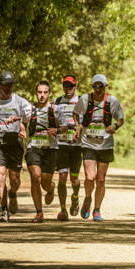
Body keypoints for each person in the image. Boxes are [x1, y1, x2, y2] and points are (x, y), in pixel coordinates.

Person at [73, 74, 124, 222]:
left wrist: (114, 126)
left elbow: (120, 119)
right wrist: (78, 127)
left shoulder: (112, 101)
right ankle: (88, 199)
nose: (97, 89)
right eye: (94, 86)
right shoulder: (85, 99)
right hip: (88, 143)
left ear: (105, 86)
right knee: (90, 177)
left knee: (100, 180)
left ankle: (97, 210)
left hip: (105, 144)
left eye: (100, 86)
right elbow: (75, 113)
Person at [0, 71, 31, 222]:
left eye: (11, 84)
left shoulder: (21, 102)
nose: (9, 87)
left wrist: (22, 128)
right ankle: (4, 211)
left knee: (15, 180)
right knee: (0, 176)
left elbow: (29, 117)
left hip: (14, 142)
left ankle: (13, 193)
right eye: (6, 84)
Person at [26, 80, 68, 223]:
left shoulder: (55, 109)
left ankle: (50, 189)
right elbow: (22, 122)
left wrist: (57, 130)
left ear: (49, 93)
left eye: (45, 92)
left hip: (51, 149)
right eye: (39, 92)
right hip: (34, 148)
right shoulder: (29, 109)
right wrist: (20, 129)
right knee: (35, 176)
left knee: (45, 183)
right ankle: (39, 213)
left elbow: (65, 126)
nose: (42, 95)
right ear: (36, 93)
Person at [52, 75, 83, 221]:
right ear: (62, 86)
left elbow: (88, 121)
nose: (68, 88)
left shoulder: (82, 101)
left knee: (75, 180)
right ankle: (63, 210)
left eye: (71, 85)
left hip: (76, 145)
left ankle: (75, 197)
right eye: (66, 85)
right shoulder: (56, 102)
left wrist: (79, 128)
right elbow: (51, 120)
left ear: (75, 86)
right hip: (61, 145)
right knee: (62, 178)